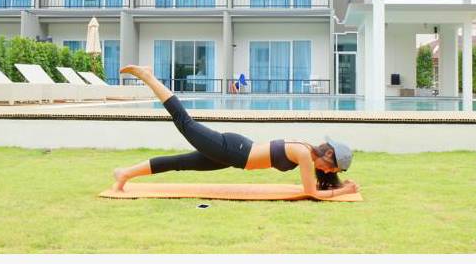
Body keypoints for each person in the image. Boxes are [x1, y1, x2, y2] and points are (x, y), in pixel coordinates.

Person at [112, 65, 360, 199]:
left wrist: (336, 187)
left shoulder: (306, 151)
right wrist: (345, 190)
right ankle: (148, 77)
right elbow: (310, 193)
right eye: (333, 168)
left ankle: (125, 174)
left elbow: (313, 188)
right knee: (184, 122)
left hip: (233, 156)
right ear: (329, 155)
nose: (329, 172)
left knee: (180, 162)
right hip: (233, 150)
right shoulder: (305, 155)